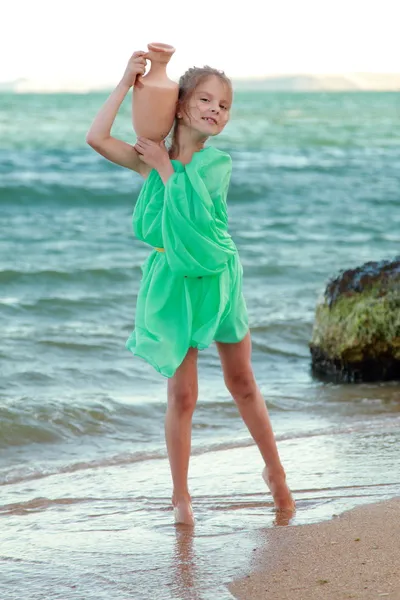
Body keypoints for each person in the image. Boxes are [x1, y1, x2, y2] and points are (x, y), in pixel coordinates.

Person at [86, 51, 295, 525]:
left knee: (241, 381)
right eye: (205, 99)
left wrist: (164, 167)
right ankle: (181, 497)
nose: (215, 110)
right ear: (180, 105)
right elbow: (95, 137)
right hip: (174, 285)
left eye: (223, 106)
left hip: (219, 277)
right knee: (183, 395)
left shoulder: (217, 164)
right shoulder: (149, 158)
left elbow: (200, 219)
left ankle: (276, 471)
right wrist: (125, 83)